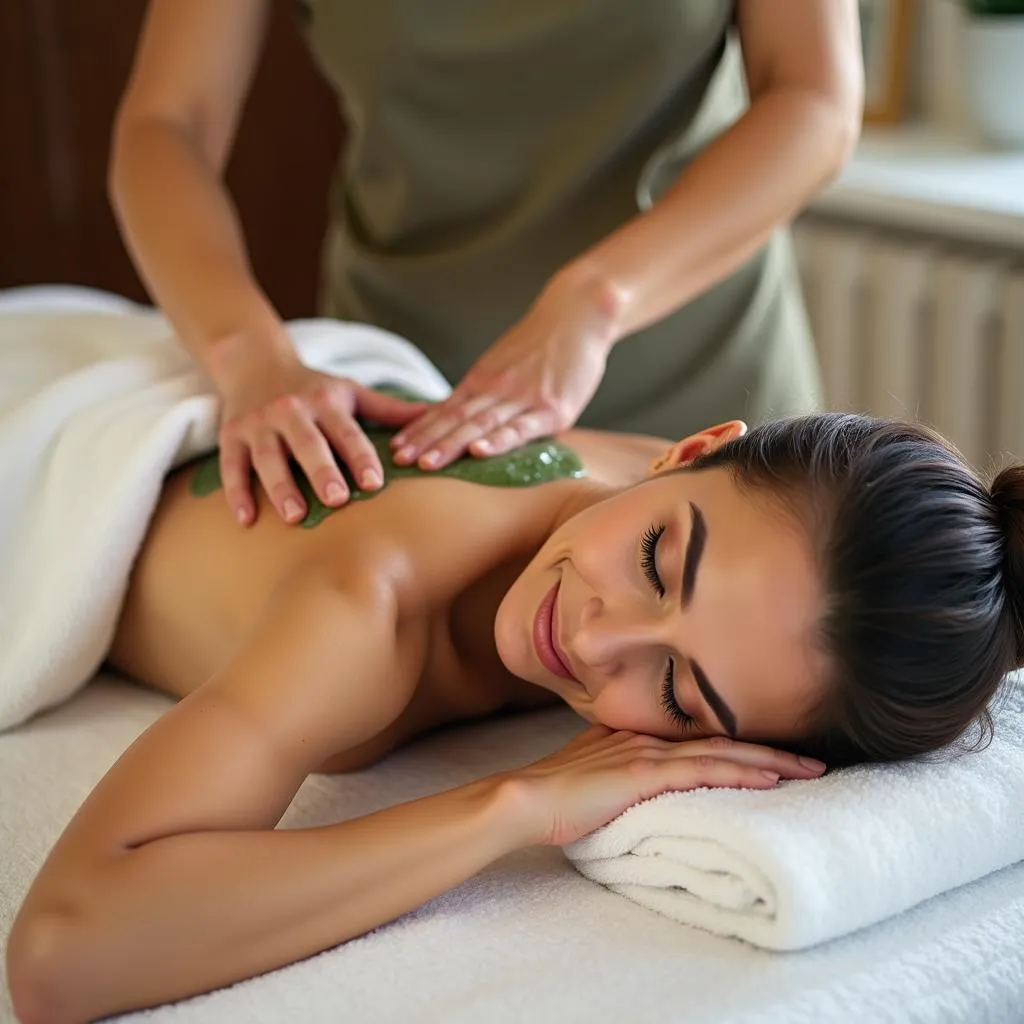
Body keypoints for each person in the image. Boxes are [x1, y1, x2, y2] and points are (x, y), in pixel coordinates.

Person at [6, 409, 1022, 1023]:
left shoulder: (686, 507)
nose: (592, 638)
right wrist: (510, 803)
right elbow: (61, 953)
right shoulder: (368, 603)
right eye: (657, 560)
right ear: (689, 448)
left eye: (676, 690)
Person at [108, 0, 863, 529]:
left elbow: (814, 97)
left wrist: (596, 298)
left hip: (698, 365)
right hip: (410, 400)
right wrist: (247, 353)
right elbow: (166, 123)